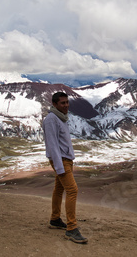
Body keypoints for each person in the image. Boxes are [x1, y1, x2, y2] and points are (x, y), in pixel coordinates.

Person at [42, 91, 88, 244]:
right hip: (60, 160)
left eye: (67, 102)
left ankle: (55, 219)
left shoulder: (60, 118)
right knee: (72, 190)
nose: (66, 105)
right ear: (54, 104)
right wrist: (59, 166)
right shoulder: (51, 120)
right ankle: (71, 229)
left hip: (65, 159)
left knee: (59, 188)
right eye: (62, 103)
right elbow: (53, 145)